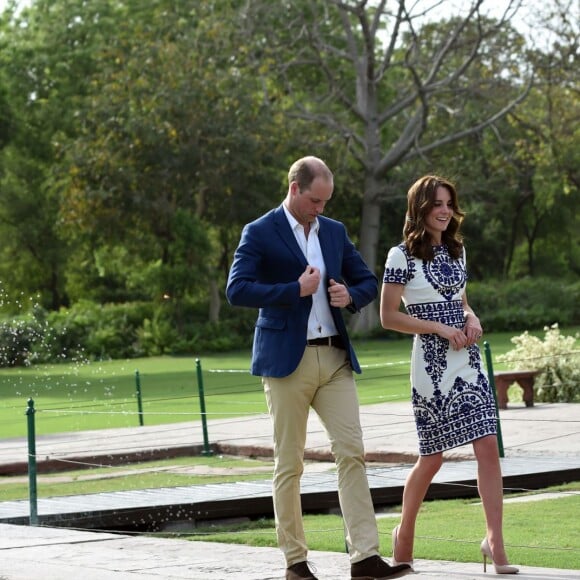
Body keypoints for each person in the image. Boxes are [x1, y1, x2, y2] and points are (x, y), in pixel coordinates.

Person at [226, 156, 411, 580]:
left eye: (326, 201)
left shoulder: (334, 231)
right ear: (294, 189)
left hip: (334, 359)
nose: (321, 209)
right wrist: (295, 289)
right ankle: (295, 562)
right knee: (289, 464)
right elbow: (237, 289)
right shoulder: (259, 231)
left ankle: (364, 557)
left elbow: (367, 280)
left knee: (353, 453)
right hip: (285, 363)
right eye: (315, 200)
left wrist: (351, 294)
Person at [380, 175, 519, 575]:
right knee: (433, 458)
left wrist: (471, 317)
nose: (444, 211)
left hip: (467, 361)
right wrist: (439, 328)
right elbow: (389, 317)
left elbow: (461, 300)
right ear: (419, 208)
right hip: (431, 364)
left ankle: (494, 541)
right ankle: (404, 533)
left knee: (488, 446)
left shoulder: (458, 251)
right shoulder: (400, 256)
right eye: (435, 204)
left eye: (448, 203)